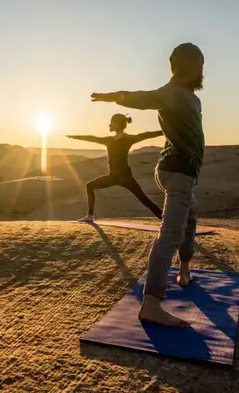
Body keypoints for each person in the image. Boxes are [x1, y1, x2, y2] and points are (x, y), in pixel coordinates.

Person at [91, 42, 205, 327]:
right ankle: (151, 304)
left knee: (190, 215)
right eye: (198, 66)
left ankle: (184, 270)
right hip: (176, 171)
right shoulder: (172, 93)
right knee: (170, 233)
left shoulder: (191, 97)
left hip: (181, 173)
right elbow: (143, 98)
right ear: (190, 68)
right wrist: (114, 97)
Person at [66, 114, 163, 222]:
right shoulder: (109, 140)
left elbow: (147, 135)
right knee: (89, 186)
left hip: (126, 178)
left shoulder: (128, 139)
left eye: (111, 123)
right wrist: (76, 137)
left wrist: (165, 131)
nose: (109, 125)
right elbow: (92, 138)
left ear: (117, 124)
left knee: (144, 199)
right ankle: (90, 216)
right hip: (113, 177)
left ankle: (165, 219)